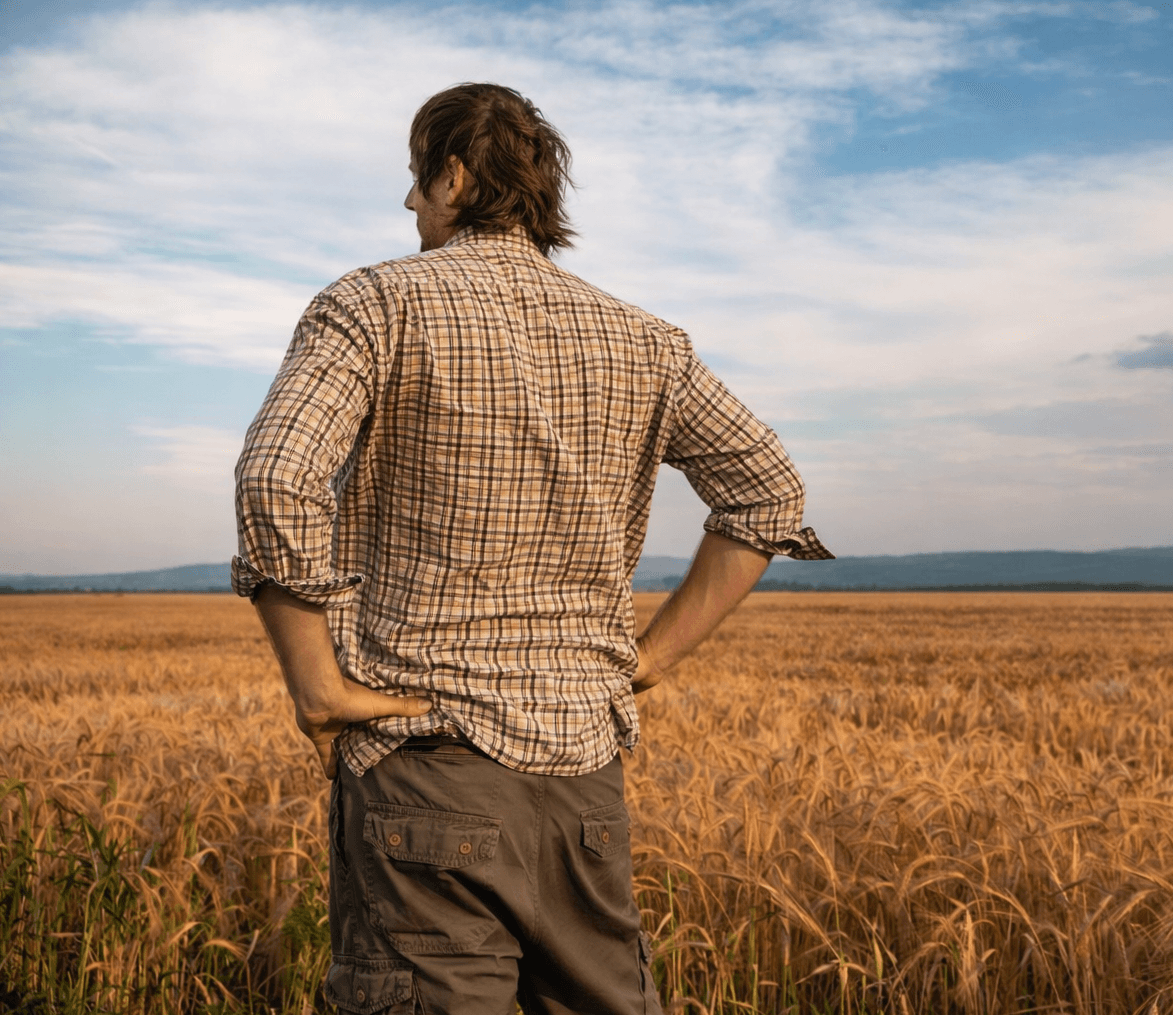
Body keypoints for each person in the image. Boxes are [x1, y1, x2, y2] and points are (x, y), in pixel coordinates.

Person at [233, 82, 831, 1015]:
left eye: (414, 178)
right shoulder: (645, 340)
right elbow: (768, 493)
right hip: (583, 788)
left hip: (424, 765)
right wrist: (649, 660)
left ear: (456, 175)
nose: (406, 204)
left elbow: (277, 476)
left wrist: (317, 685)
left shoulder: (372, 303)